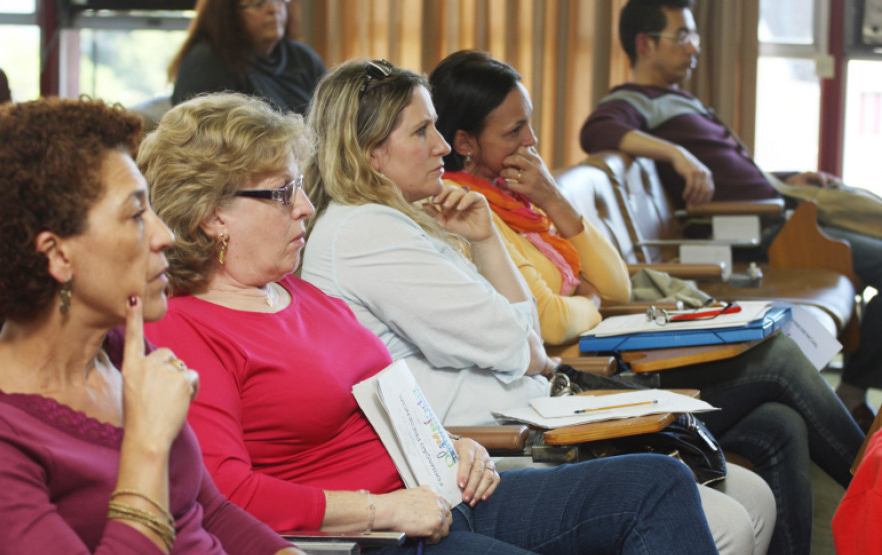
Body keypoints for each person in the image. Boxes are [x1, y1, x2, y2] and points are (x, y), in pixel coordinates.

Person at [139, 90, 719, 554]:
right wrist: (382, 509)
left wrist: (453, 445)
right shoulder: (184, 326)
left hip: (436, 490)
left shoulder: (292, 291)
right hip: (372, 534)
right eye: (281, 192)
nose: (305, 206)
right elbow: (226, 495)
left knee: (656, 483)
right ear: (214, 214)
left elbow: (387, 398)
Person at [297, 58, 773, 554]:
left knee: (751, 496)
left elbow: (525, 340)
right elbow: (520, 345)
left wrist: (487, 242)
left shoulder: (406, 217)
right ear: (371, 154)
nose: (441, 145)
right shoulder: (368, 232)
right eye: (422, 131)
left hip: (526, 419)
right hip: (491, 444)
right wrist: (528, 347)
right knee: (725, 518)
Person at [431, 48, 866, 555]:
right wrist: (588, 301)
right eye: (514, 131)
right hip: (582, 381)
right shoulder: (470, 216)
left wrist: (556, 201)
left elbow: (614, 285)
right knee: (777, 363)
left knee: (780, 425)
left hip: (601, 359)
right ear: (463, 143)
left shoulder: (527, 204)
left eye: (529, 125)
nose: (531, 140)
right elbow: (548, 320)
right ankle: (871, 481)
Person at [0, 97, 300, 554]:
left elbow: (211, 514)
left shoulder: (126, 350)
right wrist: (146, 444)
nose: (165, 235)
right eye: (136, 214)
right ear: (59, 255)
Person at [579, 0, 882, 432]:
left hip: (781, 212)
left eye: (695, 35)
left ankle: (852, 392)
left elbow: (731, 173)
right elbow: (596, 130)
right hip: (759, 232)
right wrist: (677, 153)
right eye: (682, 36)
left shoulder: (676, 98)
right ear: (645, 44)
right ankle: (853, 394)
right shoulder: (634, 101)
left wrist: (784, 178)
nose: (693, 47)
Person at [168, 0, 326, 114]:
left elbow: (332, 114)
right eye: (258, 3)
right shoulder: (206, 62)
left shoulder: (302, 57)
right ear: (228, 14)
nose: (273, 8)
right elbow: (203, 141)